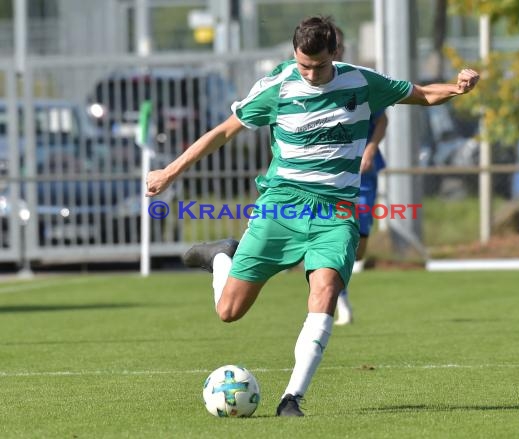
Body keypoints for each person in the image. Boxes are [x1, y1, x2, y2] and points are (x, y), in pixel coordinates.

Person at [146, 15, 480, 417]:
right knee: (228, 312)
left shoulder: (360, 81)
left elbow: (423, 94)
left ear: (334, 54)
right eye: (303, 64)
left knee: (324, 293)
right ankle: (222, 256)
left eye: (318, 66)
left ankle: (292, 399)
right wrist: (169, 171)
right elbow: (222, 132)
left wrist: (458, 88)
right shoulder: (278, 86)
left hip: (335, 213)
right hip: (281, 208)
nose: (310, 73)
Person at [333, 25, 389, 326]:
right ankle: (336, 298)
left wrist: (369, 150)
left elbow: (382, 120)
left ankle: (337, 288)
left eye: (339, 45)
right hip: (332, 177)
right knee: (336, 236)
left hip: (364, 172)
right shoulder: (311, 82)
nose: (337, 50)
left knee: (360, 242)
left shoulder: (359, 79)